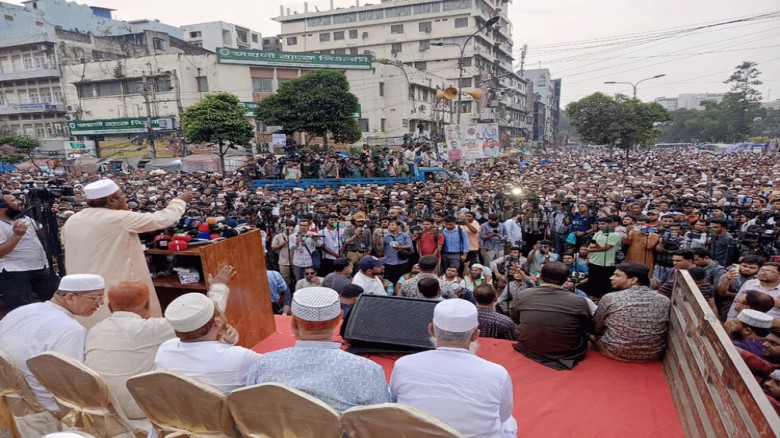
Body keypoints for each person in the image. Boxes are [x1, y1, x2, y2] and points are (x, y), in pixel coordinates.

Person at [62, 179, 192, 325]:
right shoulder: (118, 218)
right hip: (117, 289)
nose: (125, 199)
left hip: (83, 291)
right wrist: (179, 201)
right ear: (111, 200)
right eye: (121, 196)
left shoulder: (72, 220)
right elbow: (162, 219)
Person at [247, 287, 389, 413]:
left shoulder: (263, 364)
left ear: (293, 321)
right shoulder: (368, 370)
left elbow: (250, 411)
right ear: (339, 318)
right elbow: (379, 423)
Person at [390, 299, 517, 438]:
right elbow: (503, 414)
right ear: (475, 335)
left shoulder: (404, 364)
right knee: (509, 422)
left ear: (431, 330)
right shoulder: (497, 374)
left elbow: (395, 401)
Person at [0, 274, 105, 411]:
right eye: (95, 298)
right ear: (70, 297)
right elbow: (73, 383)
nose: (101, 303)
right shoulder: (72, 330)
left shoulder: (22, 311)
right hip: (48, 406)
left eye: (102, 298)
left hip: (10, 396)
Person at [85, 281, 176, 419]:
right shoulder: (151, 329)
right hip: (142, 409)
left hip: (105, 406)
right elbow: (202, 320)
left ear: (110, 307)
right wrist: (218, 288)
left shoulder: (94, 330)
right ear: (147, 305)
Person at [155, 292, 260, 394]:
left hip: (181, 410)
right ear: (218, 322)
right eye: (219, 308)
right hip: (227, 411)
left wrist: (225, 342)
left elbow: (205, 358)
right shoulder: (240, 357)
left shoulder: (164, 349)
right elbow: (273, 369)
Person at [511, 261, 593, 370]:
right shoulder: (579, 301)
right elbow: (586, 327)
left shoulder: (523, 295)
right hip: (565, 352)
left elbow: (515, 318)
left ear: (541, 276)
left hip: (530, 347)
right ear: (566, 279)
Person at [592, 263, 670, 362]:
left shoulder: (610, 298)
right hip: (653, 354)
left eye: (617, 275)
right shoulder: (664, 300)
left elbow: (597, 327)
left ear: (633, 280)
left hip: (615, 352)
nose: (611, 278)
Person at [0, 192, 59, 310]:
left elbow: (42, 232)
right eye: (13, 201)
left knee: (56, 302)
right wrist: (17, 235)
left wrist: (48, 215)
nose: (19, 202)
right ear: (2, 207)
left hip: (41, 268)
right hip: (15, 272)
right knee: (21, 309)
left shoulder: (25, 218)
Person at [585, 217, 623, 298]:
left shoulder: (615, 235)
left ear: (610, 224)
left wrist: (591, 249)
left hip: (607, 263)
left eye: (603, 224)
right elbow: (592, 244)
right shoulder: (598, 232)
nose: (600, 226)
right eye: (599, 224)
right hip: (593, 261)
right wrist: (589, 255)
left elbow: (605, 248)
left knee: (604, 283)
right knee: (592, 281)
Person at [715, 255, 761, 321]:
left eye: (752, 268)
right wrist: (727, 279)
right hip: (727, 308)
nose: (747, 269)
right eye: (744, 266)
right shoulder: (730, 275)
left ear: (758, 269)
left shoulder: (758, 280)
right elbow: (721, 292)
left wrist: (731, 294)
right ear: (740, 265)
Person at [382, 219, 413, 284]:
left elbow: (409, 245)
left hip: (402, 261)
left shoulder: (404, 235)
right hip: (389, 261)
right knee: (389, 280)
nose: (391, 226)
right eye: (389, 225)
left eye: (393, 225)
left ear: (398, 226)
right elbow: (380, 246)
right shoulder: (385, 236)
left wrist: (399, 247)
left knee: (402, 279)